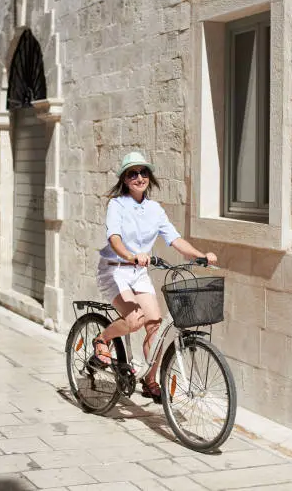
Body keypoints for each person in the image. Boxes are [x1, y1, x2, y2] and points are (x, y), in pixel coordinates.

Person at [93, 151, 218, 402]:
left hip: (138, 272)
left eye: (143, 172)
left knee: (154, 324)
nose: (139, 177)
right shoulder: (116, 205)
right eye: (133, 173)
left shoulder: (155, 209)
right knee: (135, 319)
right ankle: (102, 339)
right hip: (115, 270)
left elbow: (175, 239)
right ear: (125, 179)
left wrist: (200, 255)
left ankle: (150, 381)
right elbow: (114, 237)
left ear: (149, 177)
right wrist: (130, 255)